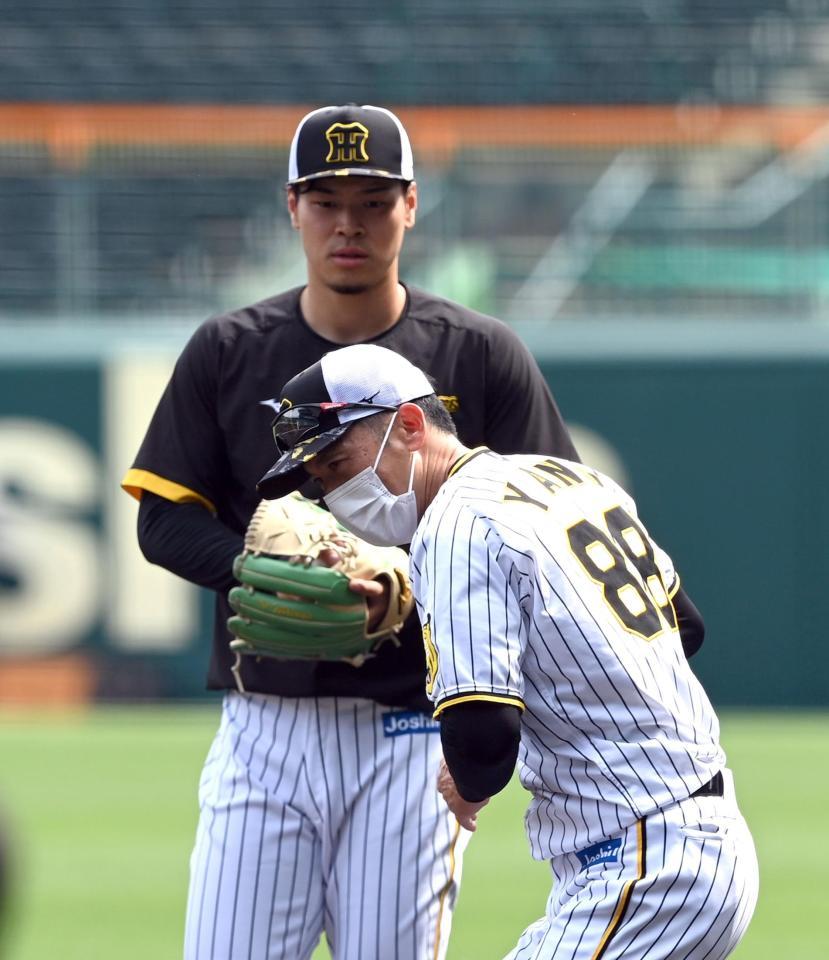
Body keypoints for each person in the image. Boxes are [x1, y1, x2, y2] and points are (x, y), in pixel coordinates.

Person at [122, 104, 579, 960]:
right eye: (326, 199)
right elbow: (162, 519)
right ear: (291, 208)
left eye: (371, 200)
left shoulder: (478, 353)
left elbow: (547, 518)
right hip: (265, 724)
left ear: (410, 204)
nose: (348, 223)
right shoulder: (228, 348)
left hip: (413, 726)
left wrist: (406, 588)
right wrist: (267, 574)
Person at [257, 343, 759, 960]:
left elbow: (484, 741)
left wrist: (468, 779)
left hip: (650, 865)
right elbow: (686, 626)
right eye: (319, 483)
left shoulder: (455, 525)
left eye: (336, 464)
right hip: (686, 840)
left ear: (409, 425)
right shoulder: (568, 477)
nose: (331, 492)